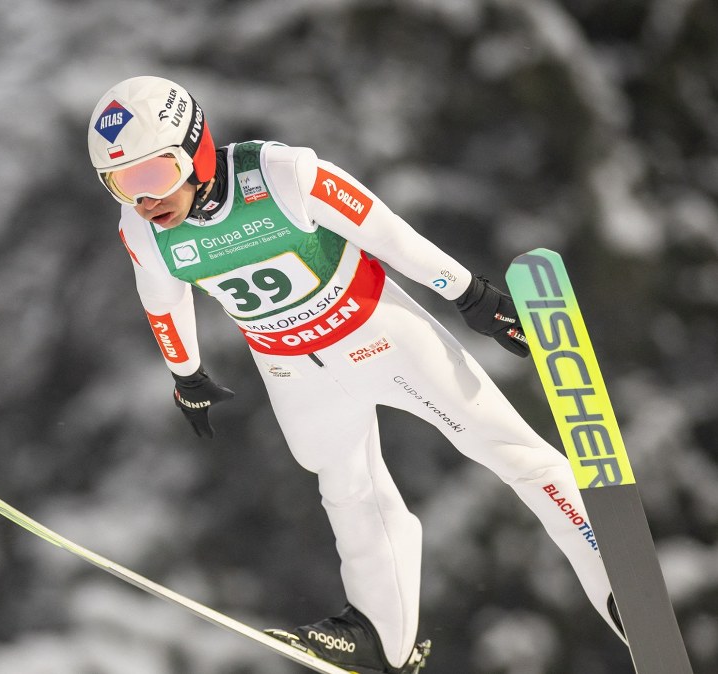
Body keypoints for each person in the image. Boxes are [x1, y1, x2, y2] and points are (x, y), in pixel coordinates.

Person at [86, 75, 623, 674]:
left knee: (511, 452)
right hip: (292, 370)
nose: (145, 200)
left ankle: (614, 579)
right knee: (347, 491)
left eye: (153, 174)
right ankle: (382, 636)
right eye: (121, 184)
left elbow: (388, 234)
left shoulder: (283, 175)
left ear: (197, 149)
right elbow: (162, 301)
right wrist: (186, 375)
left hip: (381, 336)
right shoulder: (143, 233)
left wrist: (470, 295)